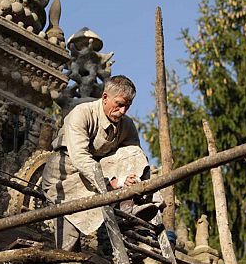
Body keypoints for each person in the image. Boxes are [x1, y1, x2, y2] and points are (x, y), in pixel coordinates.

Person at [42, 75, 160, 254]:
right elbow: (80, 158)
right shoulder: (82, 114)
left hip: (98, 173)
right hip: (66, 177)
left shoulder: (126, 125)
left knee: (134, 152)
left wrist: (129, 181)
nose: (122, 111)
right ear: (105, 97)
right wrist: (109, 184)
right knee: (68, 241)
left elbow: (134, 157)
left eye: (127, 107)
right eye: (119, 104)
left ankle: (130, 207)